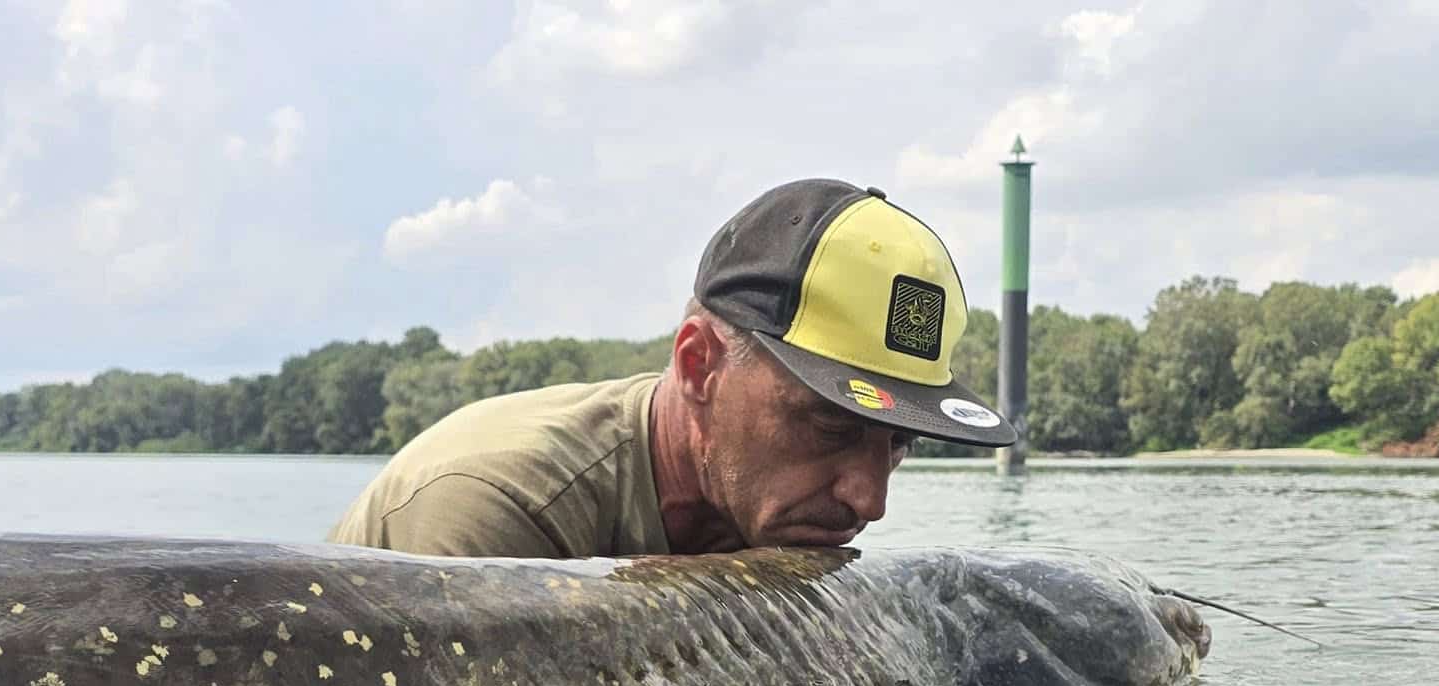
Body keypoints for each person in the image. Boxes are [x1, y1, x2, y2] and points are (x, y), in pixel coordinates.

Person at [326, 178, 1018, 559]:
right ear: (699, 365)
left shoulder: (755, 512)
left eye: (899, 442)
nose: (871, 500)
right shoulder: (489, 509)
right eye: (830, 428)